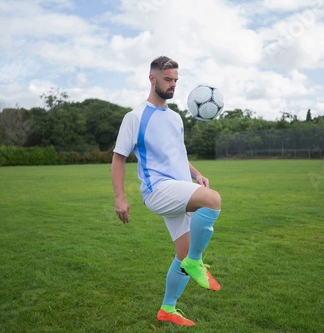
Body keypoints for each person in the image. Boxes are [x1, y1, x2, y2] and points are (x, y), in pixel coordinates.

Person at [111, 56, 222, 326]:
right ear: (152, 79)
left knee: (183, 252)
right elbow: (118, 157)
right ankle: (196, 262)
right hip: (157, 190)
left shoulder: (175, 118)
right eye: (167, 80)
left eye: (175, 80)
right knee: (213, 200)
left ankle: (167, 309)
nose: (172, 85)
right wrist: (120, 197)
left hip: (179, 187)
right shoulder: (135, 117)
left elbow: (177, 155)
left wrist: (196, 174)